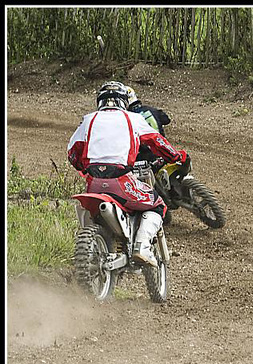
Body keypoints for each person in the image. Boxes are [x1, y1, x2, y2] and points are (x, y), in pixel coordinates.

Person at [67, 81, 189, 268]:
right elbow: (157, 141)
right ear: (123, 101)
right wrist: (175, 155)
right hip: (121, 181)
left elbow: (72, 152)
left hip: (93, 184)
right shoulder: (132, 118)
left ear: (100, 101)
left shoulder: (88, 119)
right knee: (157, 205)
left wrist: (83, 167)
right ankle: (142, 246)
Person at [125, 85, 172, 167]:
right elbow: (166, 120)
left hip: (144, 155)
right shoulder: (151, 109)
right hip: (163, 150)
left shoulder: (128, 117)